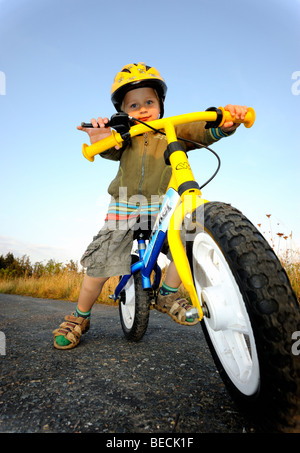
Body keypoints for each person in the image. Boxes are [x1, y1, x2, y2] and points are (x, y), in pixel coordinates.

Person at [53, 62, 248, 349]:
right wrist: (101, 138)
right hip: (126, 205)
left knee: (190, 237)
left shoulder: (172, 130)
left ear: (160, 106)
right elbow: (108, 148)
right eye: (133, 105)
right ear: (122, 111)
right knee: (100, 263)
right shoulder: (124, 136)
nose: (142, 108)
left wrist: (224, 121)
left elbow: (202, 129)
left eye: (149, 101)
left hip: (162, 206)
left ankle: (168, 292)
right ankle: (80, 315)